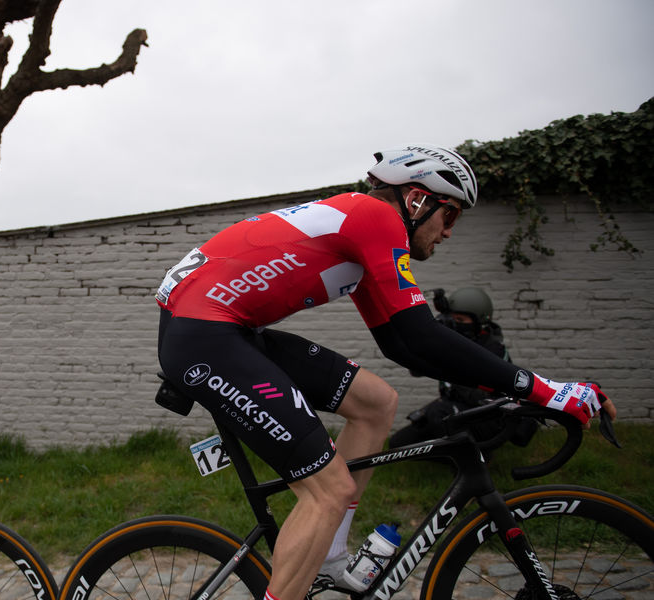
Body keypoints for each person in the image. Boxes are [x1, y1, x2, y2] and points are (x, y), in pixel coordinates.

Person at [154, 145, 615, 599]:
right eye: (449, 216)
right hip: (204, 337)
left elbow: (406, 346)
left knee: (376, 403)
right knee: (328, 490)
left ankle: (331, 556)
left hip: (218, 328)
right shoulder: (375, 218)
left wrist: (513, 389)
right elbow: (424, 336)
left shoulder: (360, 230)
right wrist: (543, 389)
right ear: (417, 200)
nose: (448, 233)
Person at [388, 287, 539, 451]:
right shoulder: (451, 344)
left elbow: (481, 396)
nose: (455, 324)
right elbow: (416, 370)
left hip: (488, 416)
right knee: (399, 444)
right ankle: (454, 456)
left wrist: (448, 362)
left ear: (479, 321)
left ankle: (475, 462)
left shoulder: (492, 349)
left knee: (438, 412)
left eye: (460, 320)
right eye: (453, 319)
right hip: (457, 409)